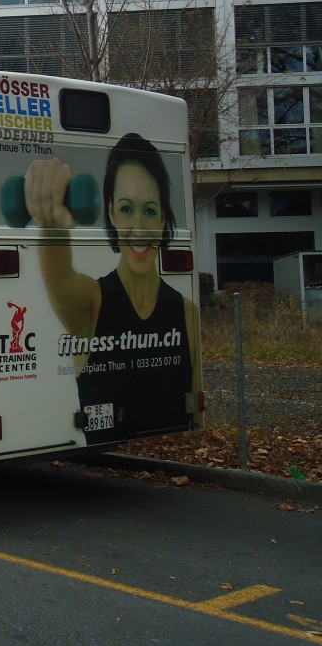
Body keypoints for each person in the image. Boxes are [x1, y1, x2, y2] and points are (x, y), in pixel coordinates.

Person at [24, 133, 198, 444]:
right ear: (112, 213)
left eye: (149, 211)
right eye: (127, 209)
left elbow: (195, 412)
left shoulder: (187, 313)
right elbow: (60, 279)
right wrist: (52, 224)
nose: (139, 229)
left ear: (162, 219)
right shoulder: (92, 300)